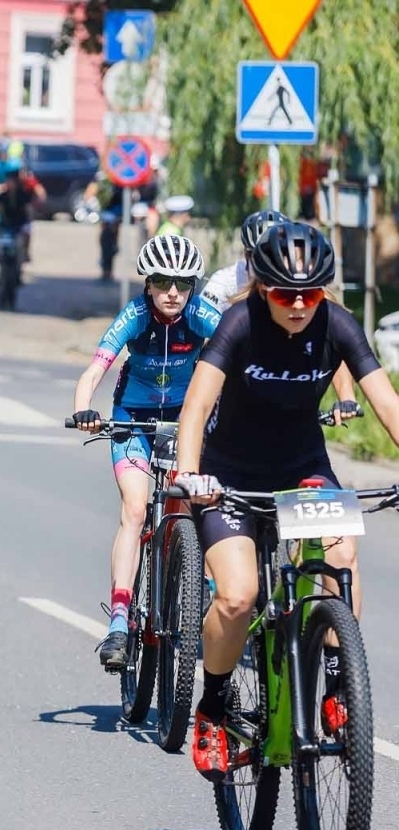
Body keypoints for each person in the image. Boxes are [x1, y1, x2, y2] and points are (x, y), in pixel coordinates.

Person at [172, 222, 388, 780]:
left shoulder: (337, 326)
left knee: (340, 557)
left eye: (310, 294)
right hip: (228, 474)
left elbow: (385, 400)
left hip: (301, 468)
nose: (297, 306)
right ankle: (214, 706)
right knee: (239, 596)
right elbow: (195, 408)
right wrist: (189, 473)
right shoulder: (238, 324)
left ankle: (339, 685)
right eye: (285, 294)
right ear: (261, 287)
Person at [69, 235, 221, 669]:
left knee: (197, 503)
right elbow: (94, 371)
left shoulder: (203, 314)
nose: (172, 292)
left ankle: (198, 579)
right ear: (148, 285)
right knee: (135, 510)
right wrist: (84, 409)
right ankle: (119, 622)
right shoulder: (133, 316)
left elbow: (241, 353)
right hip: (131, 420)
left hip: (185, 421)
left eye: (182, 283)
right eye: (161, 281)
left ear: (193, 285)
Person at [201, 209, 288, 309]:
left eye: (277, 257)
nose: (269, 266)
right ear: (246, 255)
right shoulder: (224, 281)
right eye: (261, 258)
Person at [0, 161, 45, 268]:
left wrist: (36, 210)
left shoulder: (23, 193)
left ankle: (25, 253)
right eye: (9, 179)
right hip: (6, 224)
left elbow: (32, 204)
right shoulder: (2, 195)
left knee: (26, 233)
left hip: (19, 223)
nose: (11, 182)